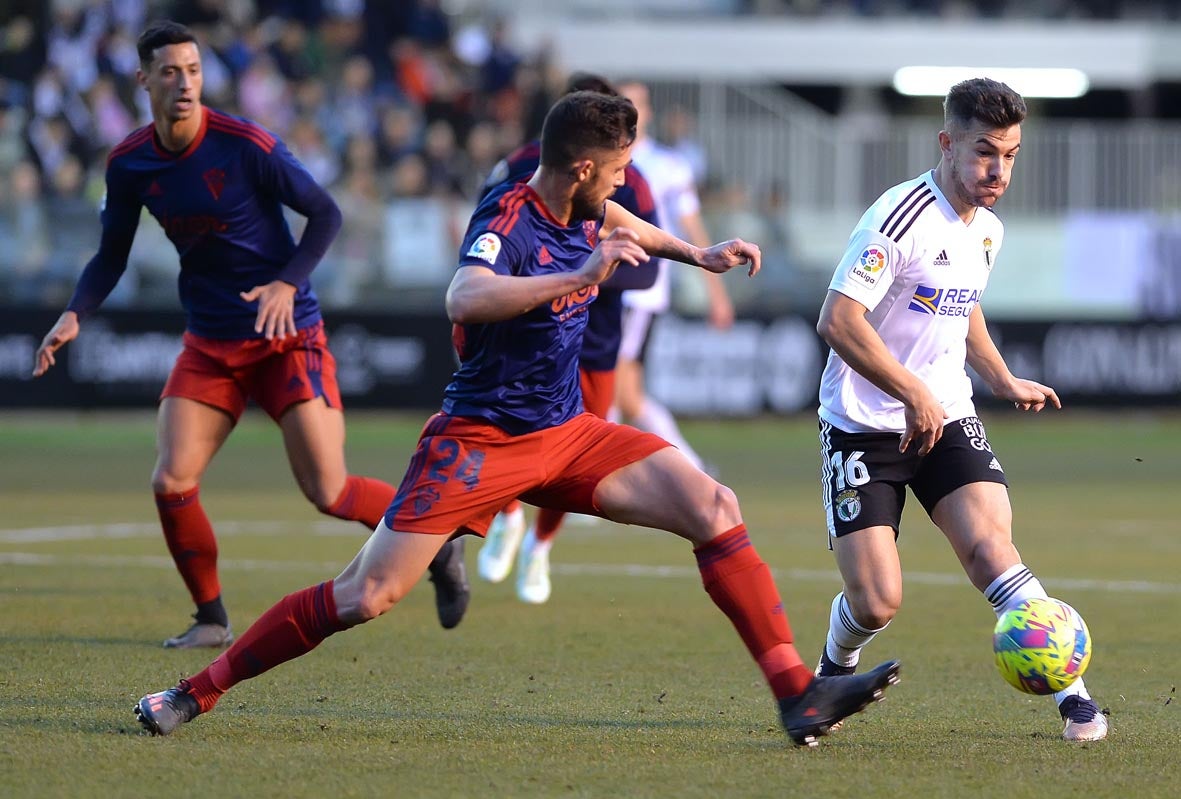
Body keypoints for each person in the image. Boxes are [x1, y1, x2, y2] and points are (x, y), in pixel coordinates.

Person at [134, 90, 900, 746]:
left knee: (712, 505)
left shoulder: (592, 203)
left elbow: (630, 227)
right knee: (361, 597)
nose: (626, 183)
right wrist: (577, 274)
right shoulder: (509, 216)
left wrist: (697, 254)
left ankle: (795, 695)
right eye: (620, 169)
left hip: (566, 436)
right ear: (581, 169)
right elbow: (463, 297)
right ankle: (194, 691)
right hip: (480, 441)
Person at [31, 21, 469, 647]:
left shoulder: (244, 144)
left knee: (330, 489)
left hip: (286, 334)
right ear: (143, 80)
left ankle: (441, 542)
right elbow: (110, 256)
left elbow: (326, 212)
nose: (184, 83)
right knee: (170, 480)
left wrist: (288, 283)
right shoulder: (129, 162)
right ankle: (211, 618)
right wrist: (77, 311)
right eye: (170, 72)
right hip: (210, 341)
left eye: (193, 70)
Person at [811, 77, 1107, 743]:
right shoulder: (897, 219)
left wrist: (997, 375)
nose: (997, 170)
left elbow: (960, 300)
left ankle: (1073, 692)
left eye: (1009, 154)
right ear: (945, 143)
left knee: (988, 547)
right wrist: (908, 391)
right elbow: (837, 320)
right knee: (876, 600)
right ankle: (833, 669)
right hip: (863, 426)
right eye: (983, 152)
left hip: (945, 415)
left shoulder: (987, 230)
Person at [475, 72, 660, 605]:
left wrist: (589, 275)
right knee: (498, 432)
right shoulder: (515, 171)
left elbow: (646, 271)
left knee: (571, 454)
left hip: (594, 343)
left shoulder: (629, 183)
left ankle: (540, 544)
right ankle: (507, 514)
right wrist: (559, 275)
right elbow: (482, 249)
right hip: (520, 337)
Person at [612, 80, 733, 474]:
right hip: (604, 287)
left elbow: (693, 231)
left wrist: (716, 293)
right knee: (623, 394)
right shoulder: (602, 160)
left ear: (647, 113)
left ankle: (599, 476)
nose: (631, 111)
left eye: (638, 104)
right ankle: (690, 469)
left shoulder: (667, 167)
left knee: (613, 387)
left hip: (637, 291)